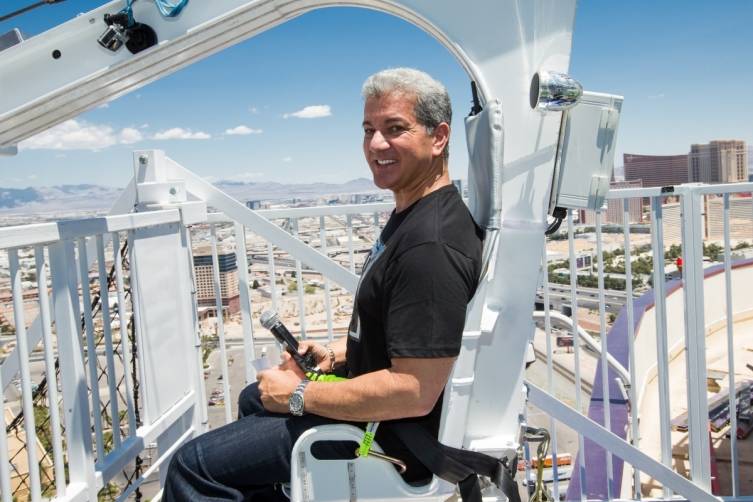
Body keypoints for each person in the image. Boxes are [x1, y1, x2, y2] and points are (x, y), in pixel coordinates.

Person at [163, 67, 484, 501]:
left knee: (194, 468)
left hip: (387, 440)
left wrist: (299, 396)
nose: (375, 145)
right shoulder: (415, 213)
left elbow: (413, 391)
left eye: (395, 129)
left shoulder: (430, 245)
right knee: (254, 397)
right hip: (384, 423)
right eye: (369, 129)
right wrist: (336, 355)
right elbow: (410, 338)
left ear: (439, 136)